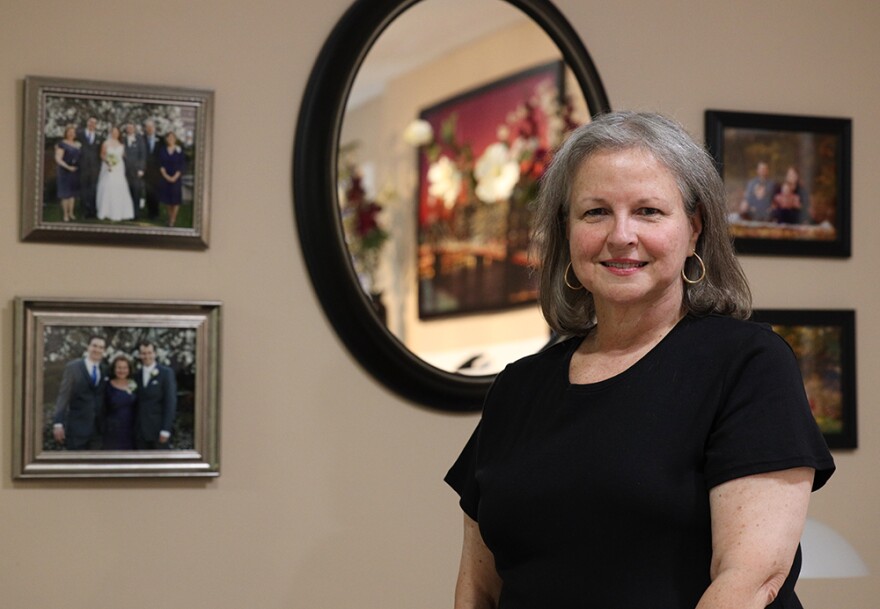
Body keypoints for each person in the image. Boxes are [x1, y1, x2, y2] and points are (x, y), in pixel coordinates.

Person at [445, 112, 835, 609]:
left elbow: (752, 578)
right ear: (566, 231)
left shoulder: (747, 365)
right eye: (595, 212)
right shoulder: (517, 389)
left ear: (694, 228)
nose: (621, 235)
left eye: (648, 211)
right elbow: (478, 588)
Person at [52, 335, 106, 450]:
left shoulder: (105, 369)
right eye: (94, 346)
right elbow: (63, 396)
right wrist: (58, 423)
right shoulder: (73, 368)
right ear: (88, 347)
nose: (97, 350)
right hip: (77, 429)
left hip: (98, 431)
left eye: (101, 347)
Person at [134, 341, 177, 449]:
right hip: (139, 431)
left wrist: (166, 429)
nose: (146, 356)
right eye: (143, 353)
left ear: (155, 354)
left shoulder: (166, 373)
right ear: (139, 355)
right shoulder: (136, 375)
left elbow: (170, 402)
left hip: (158, 431)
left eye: (149, 353)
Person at [96, 126, 136, 221]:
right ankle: (106, 211)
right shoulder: (106, 143)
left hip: (119, 167)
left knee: (119, 186)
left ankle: (121, 211)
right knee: (108, 186)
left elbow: (123, 155)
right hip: (108, 167)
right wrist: (108, 162)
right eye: (113, 132)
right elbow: (102, 154)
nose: (115, 133)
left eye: (116, 132)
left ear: (118, 133)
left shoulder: (121, 144)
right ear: (111, 133)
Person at [101, 353, 138, 450]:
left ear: (129, 369)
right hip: (112, 430)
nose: (122, 370)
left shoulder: (134, 384)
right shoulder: (107, 386)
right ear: (114, 369)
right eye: (119, 368)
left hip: (131, 429)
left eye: (125, 368)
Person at [158, 131, 186, 227]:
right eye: (168, 137)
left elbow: (182, 164)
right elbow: (161, 165)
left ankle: (173, 220)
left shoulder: (179, 150)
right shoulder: (163, 150)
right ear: (166, 139)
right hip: (165, 177)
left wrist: (175, 177)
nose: (170, 139)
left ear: (175, 139)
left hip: (176, 178)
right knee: (168, 200)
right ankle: (170, 218)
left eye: (172, 137)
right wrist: (166, 176)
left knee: (175, 200)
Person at [54, 124, 81, 222]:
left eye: (73, 132)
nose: (71, 134)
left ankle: (71, 213)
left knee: (72, 194)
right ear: (66, 133)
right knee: (65, 195)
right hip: (65, 171)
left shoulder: (77, 144)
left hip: (75, 171)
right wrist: (68, 167)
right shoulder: (61, 144)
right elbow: (58, 159)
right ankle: (65, 214)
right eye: (69, 132)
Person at [76, 117, 102, 218]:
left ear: (96, 125)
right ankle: (84, 211)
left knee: (93, 189)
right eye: (90, 122)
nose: (92, 124)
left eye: (94, 123)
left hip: (94, 168)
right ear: (87, 123)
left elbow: (100, 152)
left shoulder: (99, 137)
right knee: (83, 189)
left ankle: (92, 211)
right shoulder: (80, 134)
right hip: (83, 166)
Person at [123, 122, 147, 210]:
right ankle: (127, 211)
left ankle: (136, 213)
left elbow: (143, 155)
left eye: (131, 127)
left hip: (136, 170)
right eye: (128, 127)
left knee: (136, 191)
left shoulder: (139, 139)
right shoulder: (123, 139)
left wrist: (141, 169)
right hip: (125, 170)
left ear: (134, 129)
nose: (129, 129)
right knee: (127, 191)